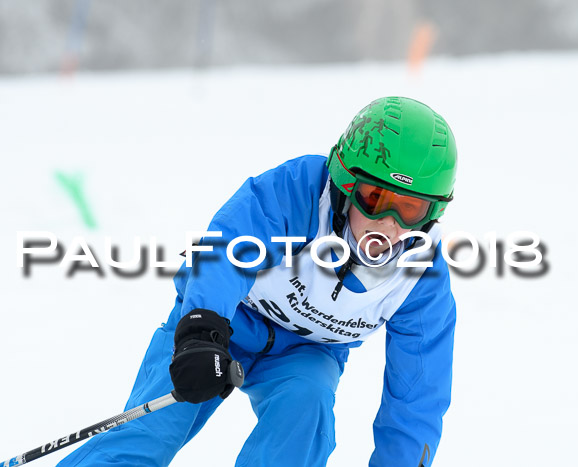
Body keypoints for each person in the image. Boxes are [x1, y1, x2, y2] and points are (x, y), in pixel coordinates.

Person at [58, 96, 458, 467]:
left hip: (304, 354)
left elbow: (417, 397)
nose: (390, 224)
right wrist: (201, 331)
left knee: (308, 402)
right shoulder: (301, 191)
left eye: (411, 209)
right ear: (345, 185)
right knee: (153, 433)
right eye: (375, 200)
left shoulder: (420, 276)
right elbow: (227, 250)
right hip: (225, 324)